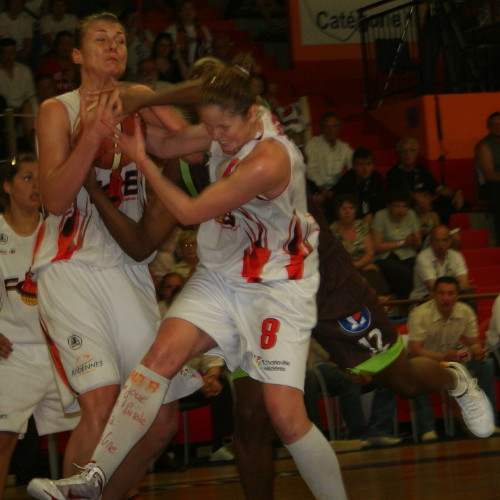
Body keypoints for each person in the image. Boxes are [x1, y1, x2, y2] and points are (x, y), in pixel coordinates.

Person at [29, 60, 351, 500]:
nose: (215, 137)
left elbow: (187, 212)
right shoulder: (230, 123)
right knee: (158, 357)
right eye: (211, 126)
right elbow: (176, 139)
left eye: (222, 129)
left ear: (251, 114)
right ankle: (94, 477)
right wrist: (114, 133)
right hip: (221, 276)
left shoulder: (268, 158)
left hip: (276, 286)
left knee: (285, 417)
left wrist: (143, 154)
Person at [24, 12, 203, 500]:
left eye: (120, 40)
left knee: (160, 419)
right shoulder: (57, 109)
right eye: (100, 40)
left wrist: (169, 102)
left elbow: (190, 152)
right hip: (71, 267)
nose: (113, 46)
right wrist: (93, 135)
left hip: (127, 270)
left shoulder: (140, 103)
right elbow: (57, 199)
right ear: (78, 55)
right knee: (101, 404)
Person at [231, 194, 495, 500]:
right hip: (259, 289)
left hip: (324, 279)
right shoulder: (189, 161)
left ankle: (456, 379)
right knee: (250, 414)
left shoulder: (268, 150)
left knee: (403, 380)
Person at [0, 152, 79, 498]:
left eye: (39, 177)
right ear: (7, 186)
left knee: (93, 432)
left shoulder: (59, 229)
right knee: (2, 440)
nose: (35, 185)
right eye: (26, 178)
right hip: (13, 355)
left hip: (60, 351)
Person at [408, 276, 498, 440]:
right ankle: (427, 429)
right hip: (427, 362)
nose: (446, 298)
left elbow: (473, 343)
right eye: (441, 293)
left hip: (452, 362)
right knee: (416, 369)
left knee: (485, 364)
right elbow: (415, 350)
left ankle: (486, 421)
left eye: (450, 294)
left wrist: (477, 351)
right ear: (433, 294)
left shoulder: (465, 311)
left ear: (457, 295)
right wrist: (442, 356)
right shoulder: (419, 314)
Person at [385, 137, 464, 225]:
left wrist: (455, 193)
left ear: (417, 153)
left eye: (412, 150)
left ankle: (442, 231)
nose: (408, 154)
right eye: (404, 151)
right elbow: (394, 194)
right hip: (405, 204)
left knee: (448, 201)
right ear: (399, 153)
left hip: (425, 204)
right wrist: (416, 196)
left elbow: (437, 188)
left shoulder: (422, 170)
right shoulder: (393, 172)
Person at [330, 193, 389, 295]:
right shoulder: (331, 230)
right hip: (342, 270)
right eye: (343, 208)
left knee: (375, 278)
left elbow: (370, 253)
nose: (347, 212)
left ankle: (383, 308)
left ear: (355, 210)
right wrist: (353, 268)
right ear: (337, 211)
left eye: (351, 208)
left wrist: (357, 265)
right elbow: (333, 257)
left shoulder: (362, 226)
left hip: (363, 265)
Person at [372, 189, 421, 299]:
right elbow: (377, 247)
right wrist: (403, 243)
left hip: (408, 255)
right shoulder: (380, 216)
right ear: (389, 206)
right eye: (397, 206)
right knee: (405, 274)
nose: (401, 210)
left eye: (404, 206)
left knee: (420, 271)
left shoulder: (412, 215)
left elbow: (418, 245)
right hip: (385, 257)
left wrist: (415, 240)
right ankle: (407, 305)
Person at [304, 111, 353, 221]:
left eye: (334, 126)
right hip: (315, 187)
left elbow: (353, 167)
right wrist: (323, 191)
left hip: (336, 190)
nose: (331, 130)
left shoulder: (344, 147)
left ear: (339, 128)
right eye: (327, 127)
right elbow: (310, 171)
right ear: (322, 128)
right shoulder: (313, 144)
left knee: (351, 179)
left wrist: (333, 192)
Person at [410, 224, 471, 301]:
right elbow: (434, 287)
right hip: (424, 298)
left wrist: (451, 293)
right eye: (436, 240)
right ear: (430, 242)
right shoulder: (422, 258)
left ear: (450, 242)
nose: (440, 244)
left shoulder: (456, 256)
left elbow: (464, 284)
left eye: (444, 240)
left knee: (467, 295)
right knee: (439, 296)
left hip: (449, 295)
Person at [335, 146, 386, 227]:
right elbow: (341, 204)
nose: (365, 168)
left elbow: (382, 202)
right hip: (351, 219)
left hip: (373, 218)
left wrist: (372, 214)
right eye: (361, 164)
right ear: (354, 165)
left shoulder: (377, 179)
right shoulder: (347, 180)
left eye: (368, 164)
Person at [475, 111, 500, 245]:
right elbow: (489, 174)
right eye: (494, 124)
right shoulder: (484, 145)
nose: (497, 127)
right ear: (488, 127)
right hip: (491, 186)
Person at [164, 0, 212, 67]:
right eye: (185, 9)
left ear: (195, 12)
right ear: (179, 13)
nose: (188, 11)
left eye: (191, 8)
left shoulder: (203, 30)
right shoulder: (171, 30)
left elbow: (209, 50)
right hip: (177, 67)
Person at [21, 73, 57, 152]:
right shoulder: (29, 105)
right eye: (41, 88)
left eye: (48, 87)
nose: (45, 91)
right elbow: (29, 135)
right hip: (36, 144)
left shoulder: (61, 102)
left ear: (54, 88)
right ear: (36, 89)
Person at [0, 37, 35, 112]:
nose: (8, 56)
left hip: (23, 112)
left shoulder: (25, 71)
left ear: (16, 53)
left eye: (12, 52)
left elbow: (31, 96)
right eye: (5, 53)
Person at [37, 30, 77, 95]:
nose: (65, 48)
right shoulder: (46, 65)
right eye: (62, 44)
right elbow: (42, 92)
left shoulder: (79, 65)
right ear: (56, 46)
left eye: (69, 43)